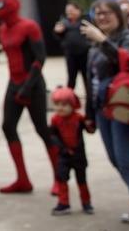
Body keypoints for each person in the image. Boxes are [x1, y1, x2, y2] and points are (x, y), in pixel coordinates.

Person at [83, 0, 129, 230]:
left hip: (127, 106)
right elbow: (91, 81)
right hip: (104, 108)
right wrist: (90, 114)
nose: (102, 17)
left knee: (126, 162)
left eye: (106, 13)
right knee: (117, 160)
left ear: (118, 14)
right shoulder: (94, 45)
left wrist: (103, 41)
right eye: (97, 13)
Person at [0, 0, 58, 194]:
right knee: (8, 127)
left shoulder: (29, 26)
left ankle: (59, 179)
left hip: (32, 84)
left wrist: (27, 86)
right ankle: (23, 179)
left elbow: (40, 58)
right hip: (14, 82)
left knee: (42, 129)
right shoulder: (1, 29)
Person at [48, 86, 93, 216]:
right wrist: (62, 148)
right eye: (57, 104)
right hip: (64, 155)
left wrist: (91, 124)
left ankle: (86, 202)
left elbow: (90, 130)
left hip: (78, 155)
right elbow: (52, 136)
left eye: (64, 105)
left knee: (82, 180)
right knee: (61, 178)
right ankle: (63, 203)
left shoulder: (79, 118)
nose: (60, 108)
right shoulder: (55, 120)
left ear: (72, 105)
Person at [53, 3, 91, 95]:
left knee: (87, 77)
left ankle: (90, 97)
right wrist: (57, 32)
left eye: (71, 10)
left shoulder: (86, 21)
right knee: (71, 78)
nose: (69, 12)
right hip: (71, 55)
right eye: (67, 11)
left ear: (78, 10)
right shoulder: (63, 22)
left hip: (85, 54)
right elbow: (57, 38)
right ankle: (68, 97)